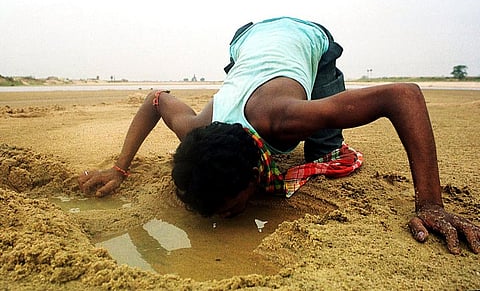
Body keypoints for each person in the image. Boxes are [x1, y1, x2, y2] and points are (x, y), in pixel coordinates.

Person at [78, 17, 479, 254]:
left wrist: (431, 204)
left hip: (309, 36)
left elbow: (404, 96)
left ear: (256, 171)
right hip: (246, 40)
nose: (225, 219)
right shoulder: (194, 128)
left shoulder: (285, 119)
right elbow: (155, 100)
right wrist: (119, 168)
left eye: (233, 209)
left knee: (323, 147)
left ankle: (323, 103)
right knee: (243, 78)